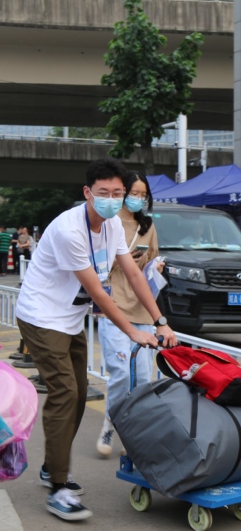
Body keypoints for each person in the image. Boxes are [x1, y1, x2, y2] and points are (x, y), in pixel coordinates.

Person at [14, 158, 177, 522]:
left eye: (118, 193)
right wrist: (133, 331)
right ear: (87, 192)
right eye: (104, 192)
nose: (112, 199)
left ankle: (51, 466)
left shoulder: (113, 225)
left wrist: (160, 321)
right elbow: (99, 293)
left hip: (70, 317)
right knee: (65, 393)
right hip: (41, 316)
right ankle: (58, 487)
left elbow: (134, 274)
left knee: (78, 393)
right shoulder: (68, 230)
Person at [96, 172, 164, 457]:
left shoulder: (147, 226)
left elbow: (154, 258)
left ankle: (133, 433)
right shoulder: (106, 223)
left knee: (143, 379)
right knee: (121, 373)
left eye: (143, 195)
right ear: (123, 192)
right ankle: (110, 423)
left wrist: (154, 266)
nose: (138, 199)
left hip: (142, 310)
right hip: (113, 307)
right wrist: (120, 261)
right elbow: (94, 264)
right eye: (134, 193)